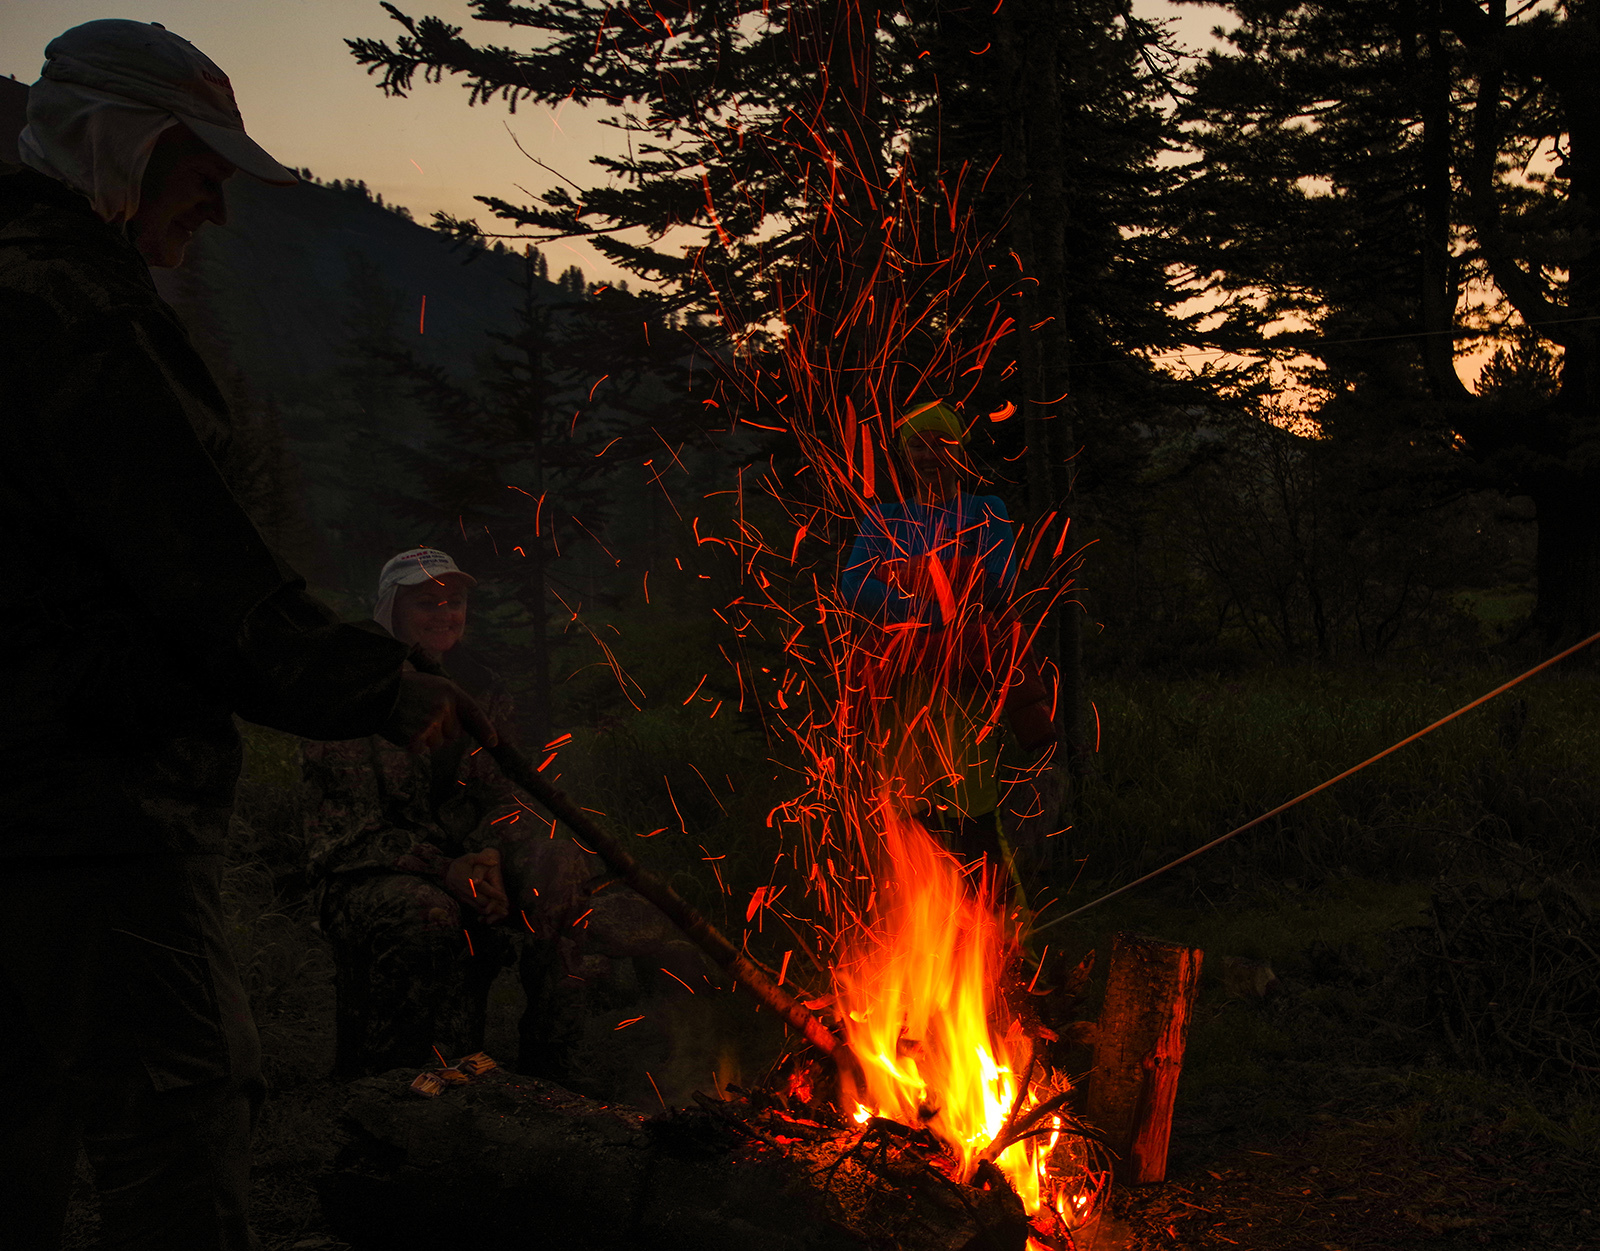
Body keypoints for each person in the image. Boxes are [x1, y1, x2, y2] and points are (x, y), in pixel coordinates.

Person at [0, 21, 490, 1251]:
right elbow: (202, 577)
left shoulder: (25, 286)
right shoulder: (75, 316)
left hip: (26, 795)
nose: (215, 211)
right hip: (91, 810)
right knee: (177, 1116)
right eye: (204, 177)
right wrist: (382, 685)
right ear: (133, 144)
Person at [304, 547, 706, 1083]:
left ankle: (552, 1061)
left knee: (559, 866)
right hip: (369, 873)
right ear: (391, 609)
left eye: (455, 602)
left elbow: (501, 794)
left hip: (464, 860)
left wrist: (489, 853)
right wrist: (447, 870)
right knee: (426, 912)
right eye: (427, 602)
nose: (445, 614)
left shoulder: (480, 685)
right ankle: (397, 1082)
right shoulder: (355, 688)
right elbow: (350, 833)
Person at [840, 400, 1058, 875]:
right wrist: (931, 600)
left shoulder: (986, 511)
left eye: (940, 442)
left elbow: (997, 581)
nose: (929, 454)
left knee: (973, 815)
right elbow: (854, 584)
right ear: (905, 454)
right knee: (908, 818)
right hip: (901, 686)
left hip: (966, 683)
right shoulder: (885, 519)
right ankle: (927, 928)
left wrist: (904, 580)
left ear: (959, 449)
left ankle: (997, 932)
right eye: (918, 444)